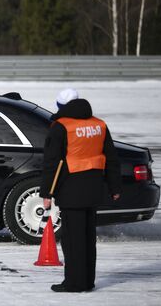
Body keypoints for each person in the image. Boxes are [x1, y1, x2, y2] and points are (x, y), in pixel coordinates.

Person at [41, 88, 122, 293]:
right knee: (87, 238)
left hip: (71, 190)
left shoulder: (61, 127)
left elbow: (52, 163)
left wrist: (47, 193)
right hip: (94, 189)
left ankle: (74, 283)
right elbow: (112, 158)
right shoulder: (99, 125)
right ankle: (87, 280)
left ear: (61, 106)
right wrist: (115, 187)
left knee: (72, 240)